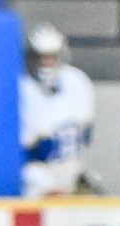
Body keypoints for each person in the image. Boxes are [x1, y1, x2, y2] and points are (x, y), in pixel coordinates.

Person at [19, 22, 94, 197]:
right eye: (39, 57)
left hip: (71, 163)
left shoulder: (76, 81)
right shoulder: (20, 86)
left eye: (51, 57)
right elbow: (26, 150)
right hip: (33, 167)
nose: (45, 64)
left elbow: (85, 132)